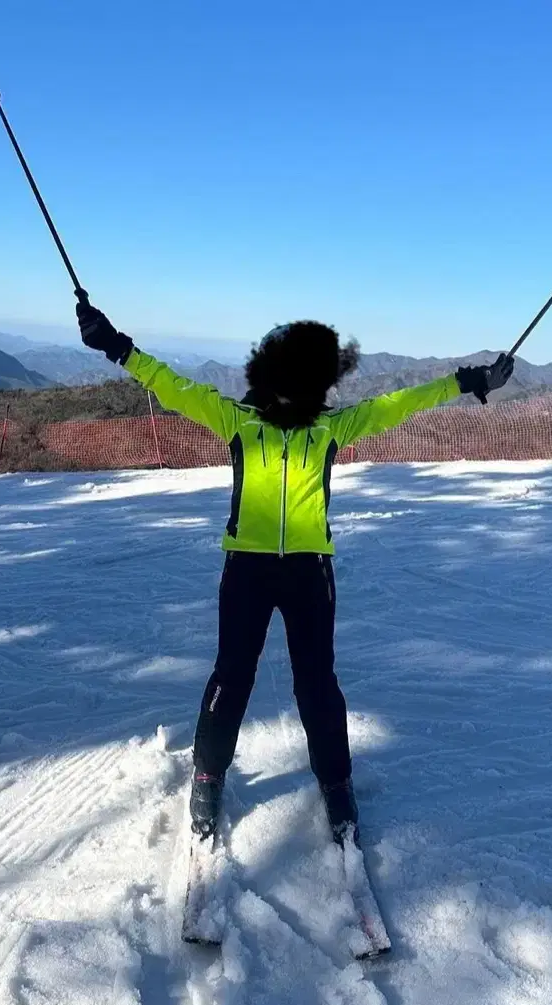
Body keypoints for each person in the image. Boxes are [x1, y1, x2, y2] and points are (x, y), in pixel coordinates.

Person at [76, 302, 514, 845]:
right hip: (247, 571)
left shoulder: (331, 429)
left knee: (317, 684)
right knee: (231, 677)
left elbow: (401, 404)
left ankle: (336, 784)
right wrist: (115, 344)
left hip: (309, 573)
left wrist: (469, 379)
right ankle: (208, 776)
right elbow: (171, 385)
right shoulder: (238, 421)